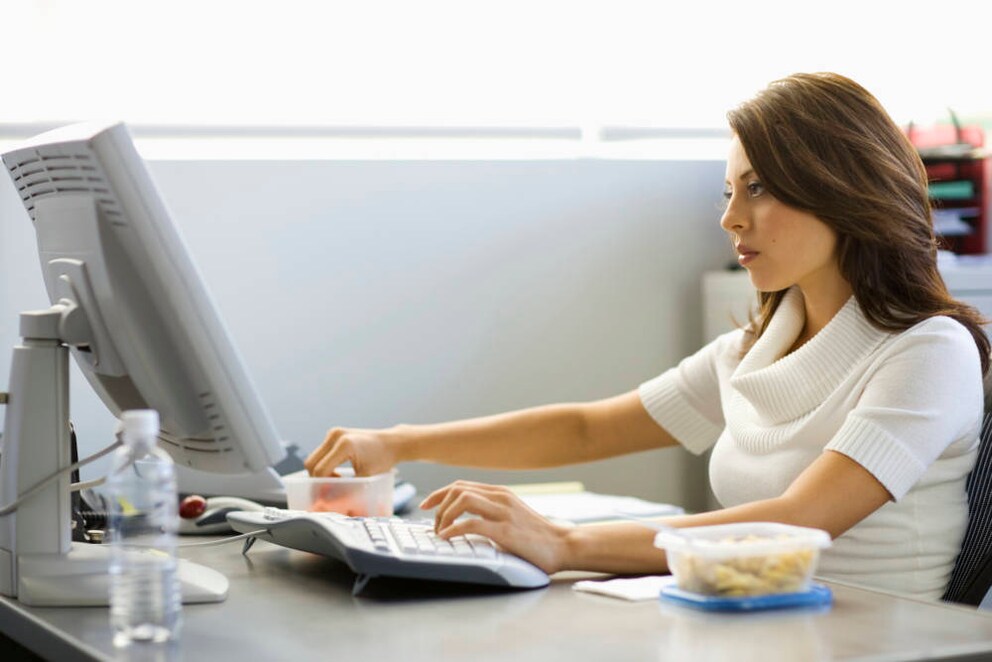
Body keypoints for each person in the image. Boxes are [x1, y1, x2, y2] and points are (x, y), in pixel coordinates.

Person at [305, 72, 990, 600]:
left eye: (756, 190)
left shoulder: (928, 352)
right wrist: (397, 443)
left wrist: (564, 544)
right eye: (728, 191)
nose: (729, 219)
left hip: (875, 642)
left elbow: (799, 521)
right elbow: (585, 431)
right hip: (754, 626)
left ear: (839, 186)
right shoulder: (757, 348)